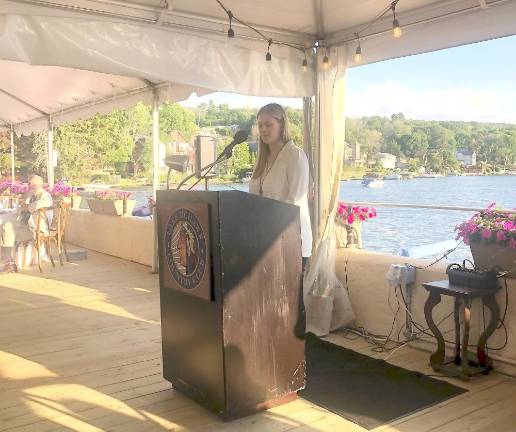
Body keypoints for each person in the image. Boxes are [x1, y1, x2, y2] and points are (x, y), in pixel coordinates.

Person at [249, 103, 312, 271]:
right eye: (260, 125)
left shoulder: (295, 156)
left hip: (292, 242)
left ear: (282, 125)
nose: (263, 129)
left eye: (269, 124)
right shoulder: (262, 159)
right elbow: (253, 200)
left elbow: (294, 203)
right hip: (264, 242)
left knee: (290, 298)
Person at [0, 174, 53, 265]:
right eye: (28, 184)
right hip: (24, 225)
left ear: (39, 184)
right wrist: (24, 205)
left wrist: (28, 207)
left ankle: (8, 261)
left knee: (7, 227)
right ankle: (5, 258)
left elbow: (43, 204)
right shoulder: (31, 195)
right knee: (2, 223)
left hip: (35, 230)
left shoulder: (45, 196)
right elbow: (19, 210)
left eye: (31, 183)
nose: (29, 186)